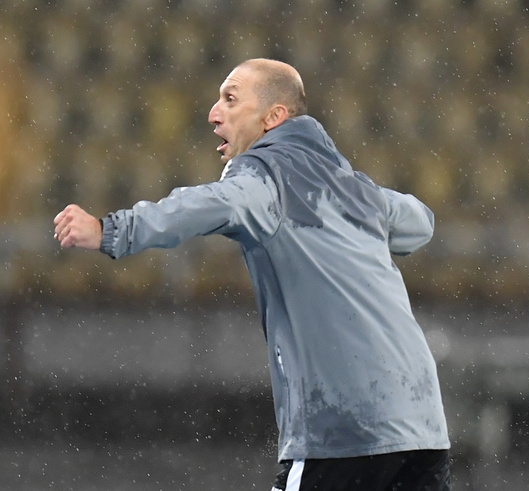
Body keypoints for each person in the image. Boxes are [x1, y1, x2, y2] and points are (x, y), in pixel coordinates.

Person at [53, 58, 451, 491]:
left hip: (345, 425)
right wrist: (355, 203)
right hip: (421, 423)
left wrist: (111, 230)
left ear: (273, 118)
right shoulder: (353, 186)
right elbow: (419, 223)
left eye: (230, 98)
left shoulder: (265, 177)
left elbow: (202, 205)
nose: (213, 112)